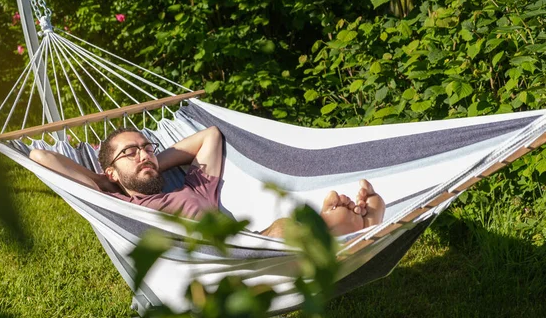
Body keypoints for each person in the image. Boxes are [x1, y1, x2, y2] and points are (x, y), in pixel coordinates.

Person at [29, 126, 385, 238]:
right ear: (111, 172)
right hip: (221, 265)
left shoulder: (194, 186)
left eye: (146, 148)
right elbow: (40, 156)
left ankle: (345, 216)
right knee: (300, 227)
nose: (143, 155)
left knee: (286, 227)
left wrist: (150, 160)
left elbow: (210, 136)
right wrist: (106, 183)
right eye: (130, 153)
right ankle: (353, 216)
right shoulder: (123, 206)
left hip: (253, 247)